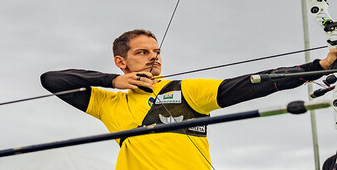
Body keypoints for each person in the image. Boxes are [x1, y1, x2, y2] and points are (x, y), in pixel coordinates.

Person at [40, 29, 337, 170]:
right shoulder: (109, 103)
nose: (153, 58)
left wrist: (320, 67)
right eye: (142, 53)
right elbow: (52, 79)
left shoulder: (185, 90)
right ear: (121, 61)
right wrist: (112, 81)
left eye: (156, 52)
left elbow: (252, 84)